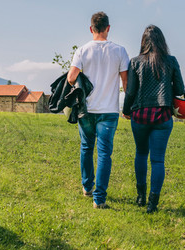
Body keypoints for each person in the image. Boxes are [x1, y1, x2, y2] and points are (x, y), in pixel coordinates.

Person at [67, 11, 129, 209]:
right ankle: (99, 199)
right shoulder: (120, 51)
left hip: (87, 109)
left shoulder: (82, 50)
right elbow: (126, 82)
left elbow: (70, 78)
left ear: (91, 28)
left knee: (86, 147)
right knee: (104, 154)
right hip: (109, 111)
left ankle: (87, 187)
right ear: (108, 28)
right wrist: (127, 105)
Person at [122, 25, 185, 213]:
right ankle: (152, 203)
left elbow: (131, 91)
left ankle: (140, 196)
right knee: (158, 160)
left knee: (141, 154)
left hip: (140, 115)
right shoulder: (171, 61)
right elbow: (180, 90)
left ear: (143, 42)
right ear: (162, 41)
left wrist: (126, 111)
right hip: (163, 116)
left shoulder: (135, 62)